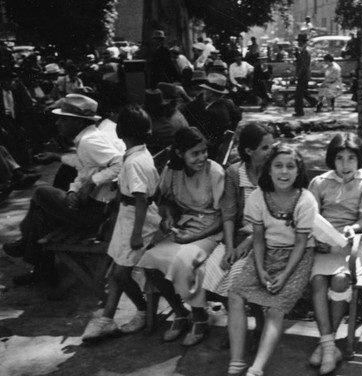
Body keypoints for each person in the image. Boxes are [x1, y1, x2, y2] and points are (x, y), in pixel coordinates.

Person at [2, 94, 124, 286]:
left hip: (98, 215)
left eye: (63, 119)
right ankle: (42, 269)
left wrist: (91, 182)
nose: (58, 123)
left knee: (41, 194)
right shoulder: (90, 137)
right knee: (41, 215)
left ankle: (29, 248)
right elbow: (84, 168)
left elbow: (121, 164)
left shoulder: (90, 141)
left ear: (77, 122)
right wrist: (74, 190)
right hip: (103, 212)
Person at [227, 144, 318, 376]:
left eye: (290, 166)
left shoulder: (305, 200)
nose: (284, 172)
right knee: (235, 293)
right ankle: (236, 360)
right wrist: (259, 269)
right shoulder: (258, 196)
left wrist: (285, 275)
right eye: (278, 166)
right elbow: (258, 238)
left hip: (296, 259)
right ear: (269, 170)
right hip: (266, 253)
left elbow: (300, 244)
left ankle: (256, 369)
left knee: (275, 308)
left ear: (299, 171)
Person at [136, 127, 224, 347]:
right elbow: (165, 200)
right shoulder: (171, 170)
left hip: (212, 229)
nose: (202, 157)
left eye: (204, 151)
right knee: (150, 260)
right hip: (185, 225)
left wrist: (192, 237)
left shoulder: (215, 172)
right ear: (179, 154)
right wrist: (167, 217)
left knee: (183, 260)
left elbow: (225, 217)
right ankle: (180, 312)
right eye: (195, 153)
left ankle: (200, 316)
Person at [81, 104, 161, 342]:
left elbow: (141, 200)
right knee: (117, 269)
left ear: (120, 132)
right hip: (127, 216)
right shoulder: (136, 154)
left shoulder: (135, 161)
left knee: (121, 273)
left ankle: (143, 309)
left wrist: (136, 234)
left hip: (138, 221)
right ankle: (108, 318)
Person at [307, 132, 362, 375]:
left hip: (350, 245)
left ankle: (326, 343)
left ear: (359, 160)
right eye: (340, 158)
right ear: (332, 159)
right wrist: (317, 240)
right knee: (317, 281)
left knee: (339, 281)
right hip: (323, 245)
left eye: (351, 158)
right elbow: (311, 218)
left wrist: (352, 229)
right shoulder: (319, 182)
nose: (345, 165)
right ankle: (329, 346)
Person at [202, 123, 274, 349]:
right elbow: (229, 213)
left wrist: (248, 242)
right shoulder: (235, 173)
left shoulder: (275, 171)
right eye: (265, 148)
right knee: (216, 266)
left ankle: (259, 325)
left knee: (240, 274)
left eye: (272, 146)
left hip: (269, 237)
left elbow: (277, 215)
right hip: (241, 236)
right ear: (249, 151)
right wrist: (231, 246)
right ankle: (237, 323)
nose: (270, 151)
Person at [181, 73, 241, 160]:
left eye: (205, 90)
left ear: (211, 93)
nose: (202, 92)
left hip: (209, 153)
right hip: (216, 146)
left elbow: (204, 139)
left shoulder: (211, 112)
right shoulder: (224, 105)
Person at [293, 33, 318, 117]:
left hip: (303, 75)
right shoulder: (303, 51)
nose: (298, 43)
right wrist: (296, 55)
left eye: (299, 42)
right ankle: (317, 103)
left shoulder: (305, 51)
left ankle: (299, 111)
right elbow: (300, 62)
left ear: (302, 42)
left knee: (298, 94)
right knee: (304, 93)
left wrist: (298, 75)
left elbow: (304, 65)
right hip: (304, 74)